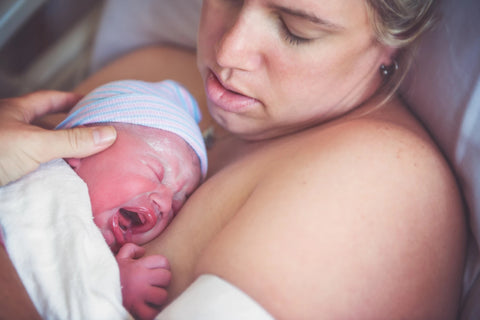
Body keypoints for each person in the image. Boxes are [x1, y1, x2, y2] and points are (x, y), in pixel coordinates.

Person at [0, 0, 468, 319]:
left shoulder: (377, 188)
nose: (227, 53)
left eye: (296, 30)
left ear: (392, 43)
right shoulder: (155, 78)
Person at [0, 79, 207, 320]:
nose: (165, 203)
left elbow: (68, 274)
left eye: (178, 202)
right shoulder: (34, 175)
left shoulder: (95, 250)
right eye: (155, 172)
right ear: (81, 149)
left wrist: (115, 283)